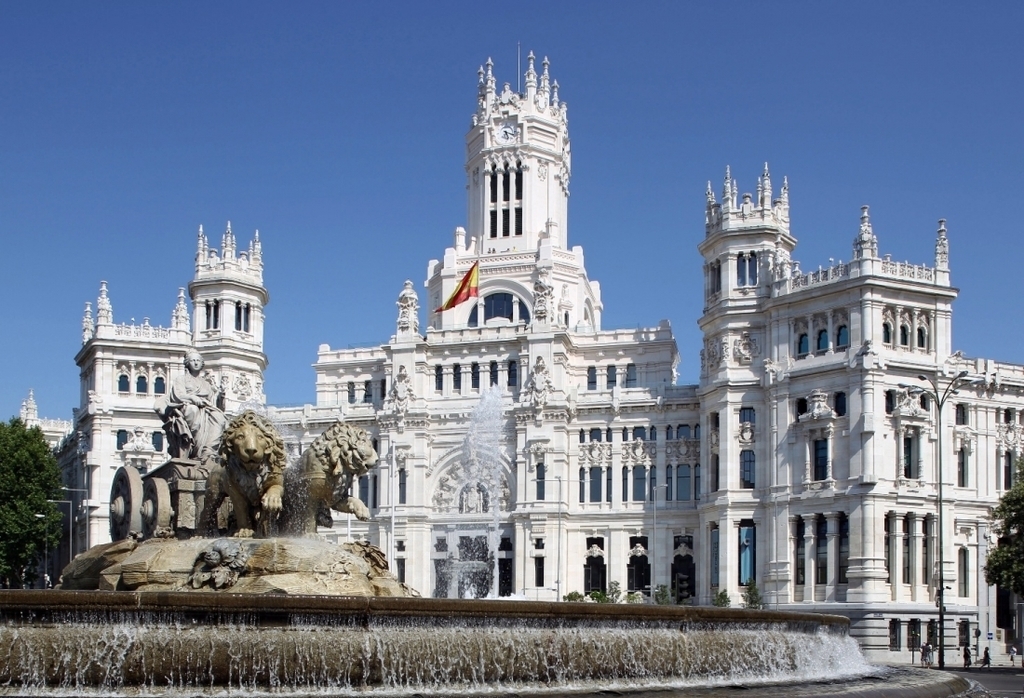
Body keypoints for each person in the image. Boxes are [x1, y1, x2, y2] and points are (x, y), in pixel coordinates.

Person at [156, 350, 227, 463]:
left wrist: (221, 396)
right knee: (192, 410)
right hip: (187, 406)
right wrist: (192, 399)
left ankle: (207, 451)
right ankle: (194, 447)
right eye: (193, 360)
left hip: (206, 408)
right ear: (187, 363)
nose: (196, 363)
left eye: (198, 361)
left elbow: (213, 401)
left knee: (219, 417)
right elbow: (178, 395)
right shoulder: (181, 379)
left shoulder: (206, 384)